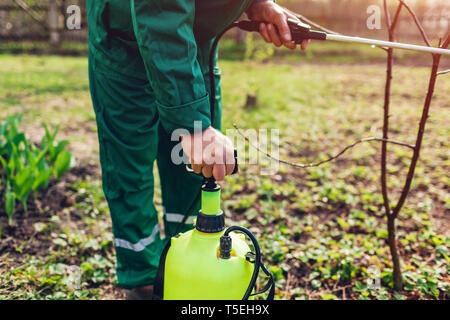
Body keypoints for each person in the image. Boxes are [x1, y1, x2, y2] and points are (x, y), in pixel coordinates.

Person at [87, 0, 309, 299]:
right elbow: (159, 10)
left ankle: (189, 260)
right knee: (129, 169)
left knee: (197, 169)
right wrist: (192, 124)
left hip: (194, 47)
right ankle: (143, 280)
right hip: (122, 44)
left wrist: (256, 4)